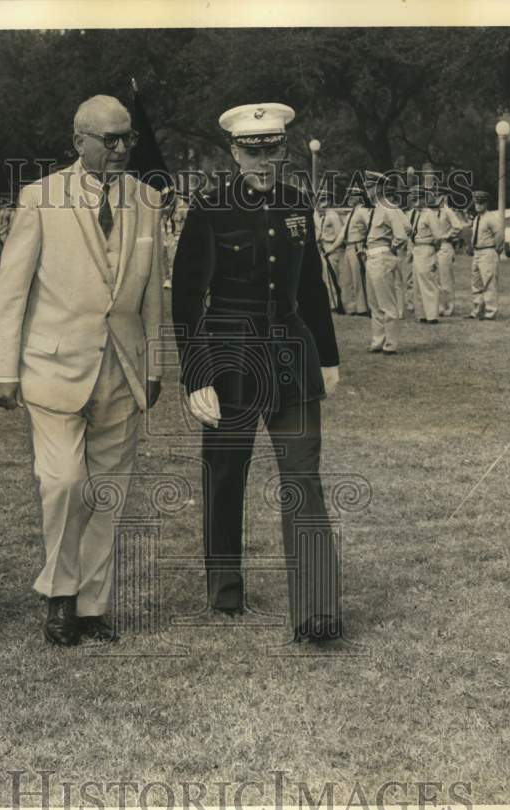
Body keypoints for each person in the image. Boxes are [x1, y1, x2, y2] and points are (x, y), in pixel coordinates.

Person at [0, 94, 165, 647]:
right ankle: (60, 595)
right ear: (78, 141)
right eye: (108, 139)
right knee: (64, 482)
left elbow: (154, 295)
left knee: (108, 491)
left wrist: (155, 362)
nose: (119, 149)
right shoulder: (39, 199)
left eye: (127, 139)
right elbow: (11, 289)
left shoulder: (149, 200)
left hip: (123, 367)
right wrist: (2, 369)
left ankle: (91, 606)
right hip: (53, 366)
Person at [172, 102, 342, 643]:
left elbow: (311, 286)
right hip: (230, 358)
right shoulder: (210, 208)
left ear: (285, 150)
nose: (262, 159)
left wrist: (330, 357)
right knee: (226, 475)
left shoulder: (297, 205)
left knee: (302, 477)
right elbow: (186, 297)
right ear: (234, 152)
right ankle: (225, 589)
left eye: (272, 149)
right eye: (252, 150)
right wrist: (196, 373)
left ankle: (316, 608)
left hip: (292, 354)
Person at [364, 177, 409, 352]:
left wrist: (389, 249)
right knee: (375, 304)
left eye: (370, 187)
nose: (367, 191)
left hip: (382, 257)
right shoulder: (376, 209)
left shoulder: (389, 208)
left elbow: (402, 234)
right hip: (371, 257)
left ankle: (390, 344)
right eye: (367, 188)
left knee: (387, 304)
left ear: (379, 188)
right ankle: (378, 341)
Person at [407, 185, 442, 324]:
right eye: (414, 199)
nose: (416, 202)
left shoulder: (429, 214)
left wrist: (432, 252)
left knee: (428, 282)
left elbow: (438, 237)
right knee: (416, 284)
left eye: (419, 198)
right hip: (416, 249)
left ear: (424, 199)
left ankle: (432, 315)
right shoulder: (413, 214)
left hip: (427, 248)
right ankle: (421, 314)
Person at [467, 190, 503, 320]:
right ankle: (477, 309)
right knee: (476, 282)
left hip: (488, 251)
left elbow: (499, 235)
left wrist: (496, 250)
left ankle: (490, 311)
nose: (478, 206)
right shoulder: (477, 218)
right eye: (476, 203)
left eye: (481, 203)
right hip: (477, 252)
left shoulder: (491, 218)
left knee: (489, 282)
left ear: (486, 204)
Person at [338, 186, 370, 315]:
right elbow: (342, 234)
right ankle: (351, 307)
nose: (349, 198)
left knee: (359, 278)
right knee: (348, 279)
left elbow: (370, 226)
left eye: (352, 195)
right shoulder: (351, 212)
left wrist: (365, 244)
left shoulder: (362, 211)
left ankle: (363, 308)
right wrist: (330, 250)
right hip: (348, 247)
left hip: (357, 246)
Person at [434, 186, 464, 317]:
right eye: (436, 195)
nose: (437, 198)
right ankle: (441, 305)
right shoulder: (435, 212)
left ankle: (449, 306)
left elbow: (458, 226)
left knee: (446, 279)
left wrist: (448, 236)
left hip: (445, 246)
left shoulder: (447, 211)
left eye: (439, 195)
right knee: (437, 279)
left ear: (445, 197)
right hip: (435, 247)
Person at [315, 192, 345, 312]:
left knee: (334, 277)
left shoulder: (333, 215)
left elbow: (339, 234)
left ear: (330, 201)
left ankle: (338, 304)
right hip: (324, 247)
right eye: (320, 200)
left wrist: (331, 249)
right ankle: (331, 304)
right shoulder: (324, 215)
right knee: (327, 278)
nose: (321, 203)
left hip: (331, 248)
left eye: (324, 200)